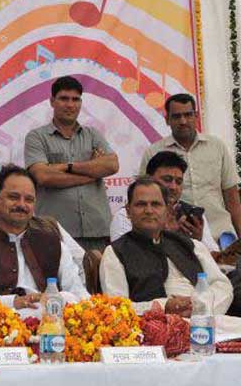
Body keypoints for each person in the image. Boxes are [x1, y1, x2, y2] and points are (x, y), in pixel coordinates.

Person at [0, 165, 88, 313]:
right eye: (13, 197)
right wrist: (12, 302)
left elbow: (79, 295)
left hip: (50, 322)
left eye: (29, 199)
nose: (22, 205)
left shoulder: (53, 244)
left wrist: (57, 299)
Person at [100, 177, 233, 316]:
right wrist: (163, 307)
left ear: (167, 210)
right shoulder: (115, 252)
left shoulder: (192, 245)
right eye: (141, 204)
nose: (149, 210)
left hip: (203, 320)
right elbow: (116, 307)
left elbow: (222, 285)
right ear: (128, 211)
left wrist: (200, 306)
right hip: (151, 325)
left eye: (156, 204)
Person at [24, 76, 118, 251]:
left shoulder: (93, 135)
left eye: (75, 99)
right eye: (64, 99)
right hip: (54, 234)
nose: (70, 105)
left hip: (97, 231)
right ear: (52, 101)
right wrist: (92, 173)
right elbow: (43, 176)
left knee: (99, 271)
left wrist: (65, 167)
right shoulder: (36, 137)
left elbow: (112, 165)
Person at [140, 93, 241, 240]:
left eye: (188, 115)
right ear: (167, 120)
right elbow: (144, 195)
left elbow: (232, 198)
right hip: (177, 237)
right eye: (176, 116)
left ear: (196, 116)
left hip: (221, 235)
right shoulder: (153, 152)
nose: (183, 121)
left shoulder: (217, 147)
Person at [111, 151, 219, 251]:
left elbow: (213, 257)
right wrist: (164, 235)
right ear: (149, 179)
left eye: (178, 182)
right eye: (167, 180)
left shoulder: (193, 215)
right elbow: (126, 255)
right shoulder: (126, 215)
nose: (173, 187)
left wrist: (197, 242)